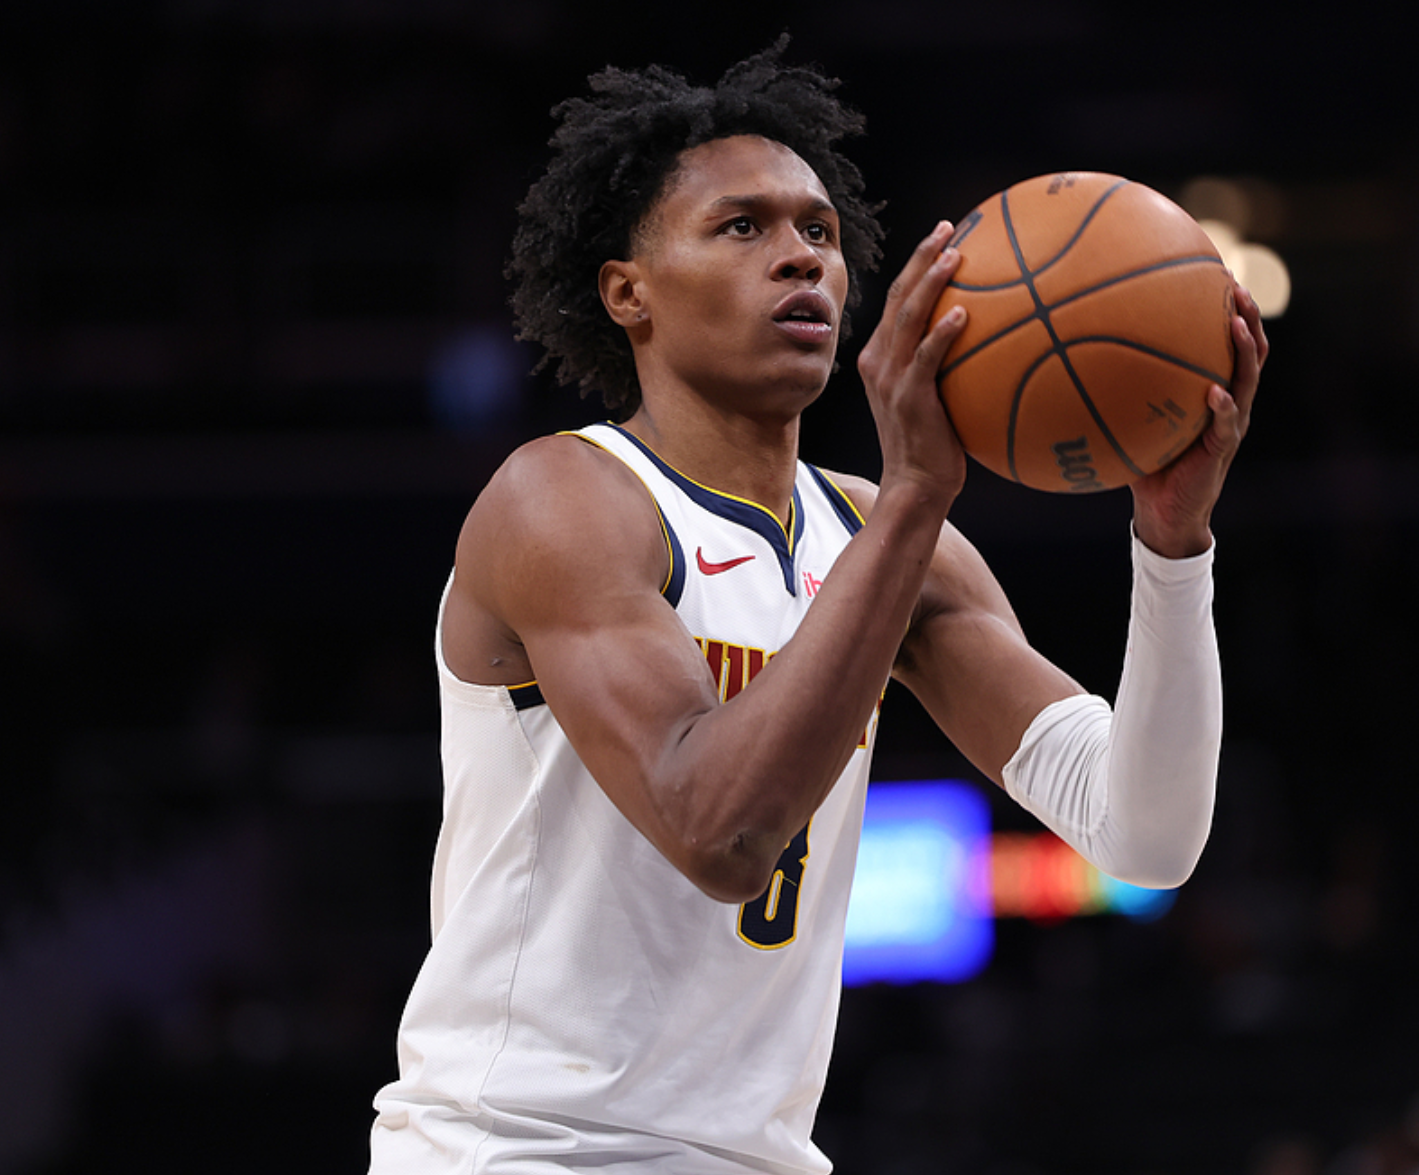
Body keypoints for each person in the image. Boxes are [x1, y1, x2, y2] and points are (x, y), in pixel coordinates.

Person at [368, 40, 1267, 1175]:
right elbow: (720, 833)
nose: (799, 255)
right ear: (627, 291)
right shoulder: (564, 501)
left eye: (820, 232)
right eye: (741, 226)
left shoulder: (893, 543)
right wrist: (918, 495)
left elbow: (1146, 834)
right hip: (520, 1148)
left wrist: (1173, 548)